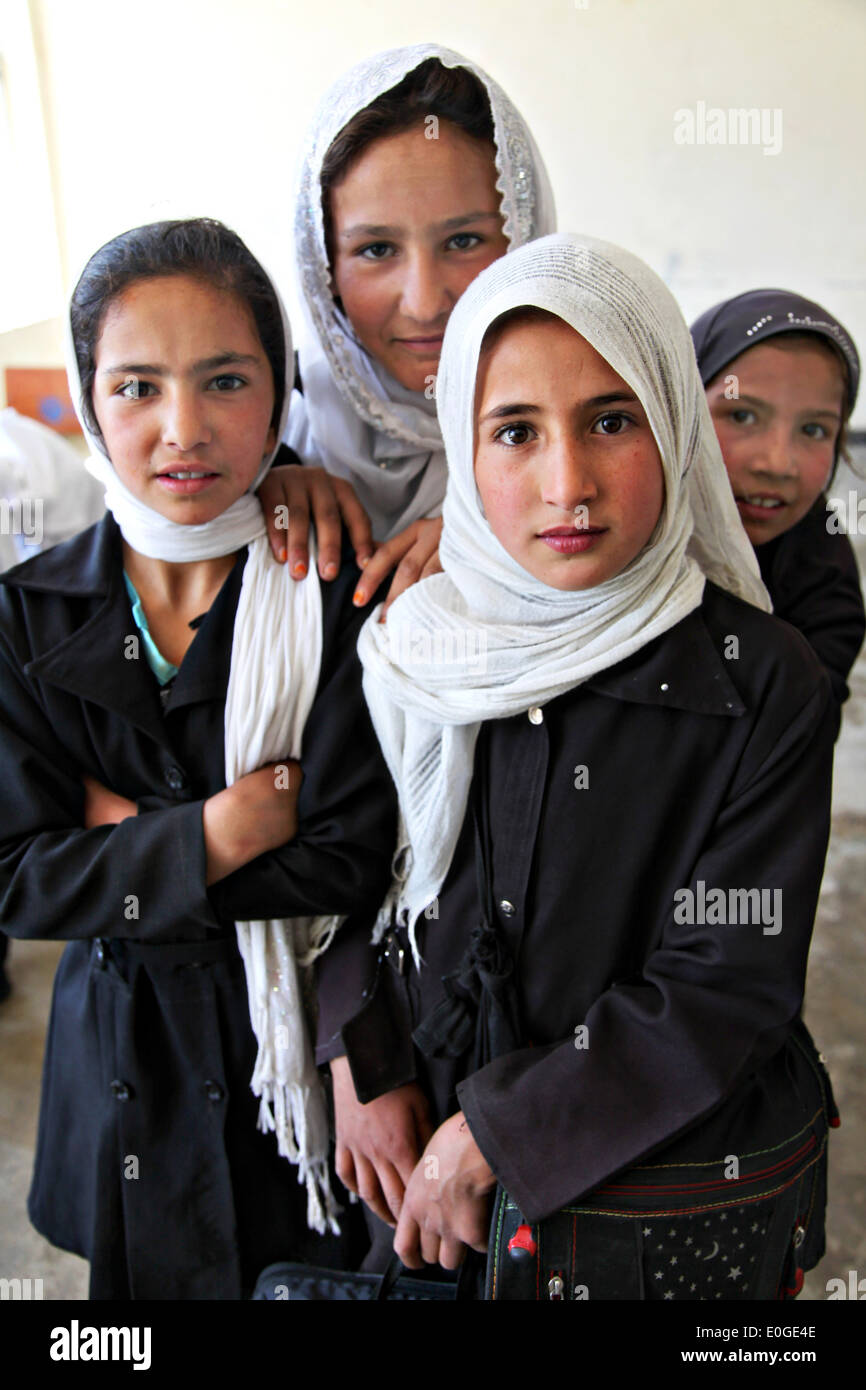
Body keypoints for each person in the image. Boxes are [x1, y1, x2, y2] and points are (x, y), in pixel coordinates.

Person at [316, 234, 838, 1299]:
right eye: (513, 430)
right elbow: (345, 877)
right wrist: (358, 1061)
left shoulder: (761, 679)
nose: (568, 483)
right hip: (415, 1165)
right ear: (463, 450)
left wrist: (502, 1132)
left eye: (611, 420)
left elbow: (724, 981)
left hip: (646, 1192)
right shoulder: (411, 645)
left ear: (673, 424)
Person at [0, 218, 395, 1299]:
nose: (183, 428)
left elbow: (350, 856)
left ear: (279, 391)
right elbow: (15, 879)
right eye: (135, 387)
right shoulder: (29, 617)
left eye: (224, 379)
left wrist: (128, 847)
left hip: (290, 1065)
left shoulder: (334, 592)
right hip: (123, 1065)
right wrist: (216, 832)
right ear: (85, 397)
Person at [256, 43, 555, 611]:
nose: (423, 304)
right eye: (376, 249)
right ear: (324, 271)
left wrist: (494, 537)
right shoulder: (272, 431)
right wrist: (253, 493)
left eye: (463, 241)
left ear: (523, 239)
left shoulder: (597, 433)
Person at [692, 289, 864, 715]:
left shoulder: (823, 597)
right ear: (679, 410)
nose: (777, 463)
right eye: (742, 416)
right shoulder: (602, 535)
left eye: (813, 430)